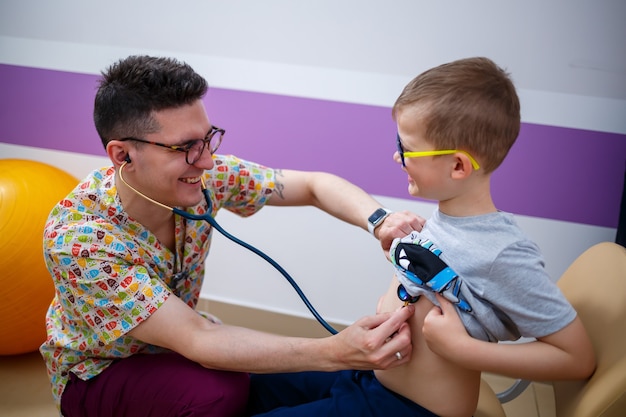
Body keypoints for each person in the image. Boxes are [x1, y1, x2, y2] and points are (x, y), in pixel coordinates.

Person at [40, 55, 426, 417]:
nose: (206, 160)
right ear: (122, 155)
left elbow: (313, 185)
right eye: (185, 148)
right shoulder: (79, 239)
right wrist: (336, 350)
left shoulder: (203, 179)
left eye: (208, 139)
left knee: (328, 379)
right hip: (100, 373)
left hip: (180, 348)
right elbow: (199, 340)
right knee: (219, 395)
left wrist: (379, 220)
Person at [246, 57, 596, 417]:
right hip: (369, 378)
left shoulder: (502, 253)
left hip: (406, 408)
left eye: (408, 148)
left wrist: (463, 350)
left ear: (458, 165)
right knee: (251, 388)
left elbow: (576, 358)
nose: (397, 156)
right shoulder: (448, 220)